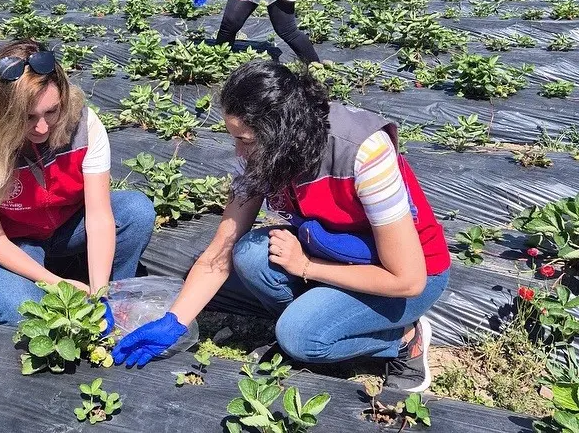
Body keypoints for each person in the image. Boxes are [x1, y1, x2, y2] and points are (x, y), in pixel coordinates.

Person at [112, 61, 451, 393]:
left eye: (246, 140)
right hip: (336, 253)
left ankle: (404, 339)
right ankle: (319, 316)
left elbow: (407, 279)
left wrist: (307, 267)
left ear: (281, 134)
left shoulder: (363, 153)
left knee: (300, 338)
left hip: (407, 274)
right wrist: (174, 323)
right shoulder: (265, 155)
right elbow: (221, 250)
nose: (238, 151)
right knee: (249, 254)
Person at [0, 40, 156, 326]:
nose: (42, 127)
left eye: (51, 112)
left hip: (68, 227)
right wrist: (56, 283)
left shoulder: (84, 125)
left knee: (135, 211)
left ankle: (116, 297)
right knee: (18, 312)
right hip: (14, 240)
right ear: (1, 112)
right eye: (27, 117)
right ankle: (49, 275)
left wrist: (100, 292)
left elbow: (98, 215)